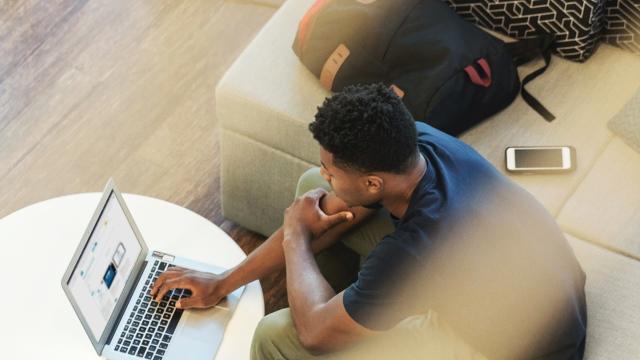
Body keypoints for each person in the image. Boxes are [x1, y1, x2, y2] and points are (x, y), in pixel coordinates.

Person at [151, 83, 587, 359]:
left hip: (517, 348)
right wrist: (222, 282)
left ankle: (345, 311)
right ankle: (351, 305)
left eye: (333, 169)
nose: (325, 173)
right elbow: (337, 204)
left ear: (375, 183)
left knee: (276, 336)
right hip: (547, 292)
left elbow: (314, 336)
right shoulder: (417, 141)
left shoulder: (417, 248)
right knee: (313, 193)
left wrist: (296, 241)